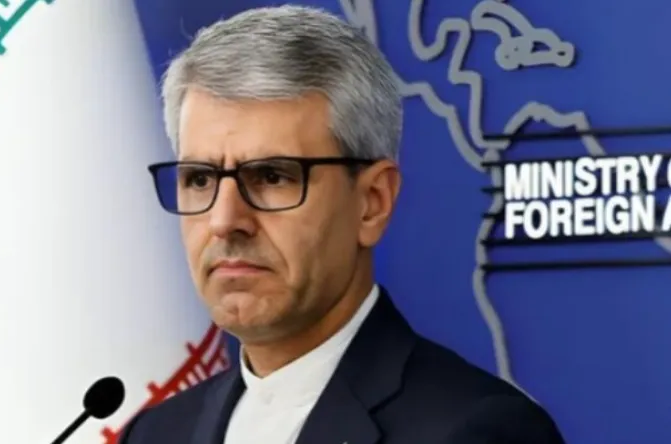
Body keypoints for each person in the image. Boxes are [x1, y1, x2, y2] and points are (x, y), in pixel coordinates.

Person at [122, 5, 565, 444]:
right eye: (199, 179)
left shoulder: (478, 431)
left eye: (272, 177)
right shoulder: (154, 434)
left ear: (372, 203)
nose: (224, 220)